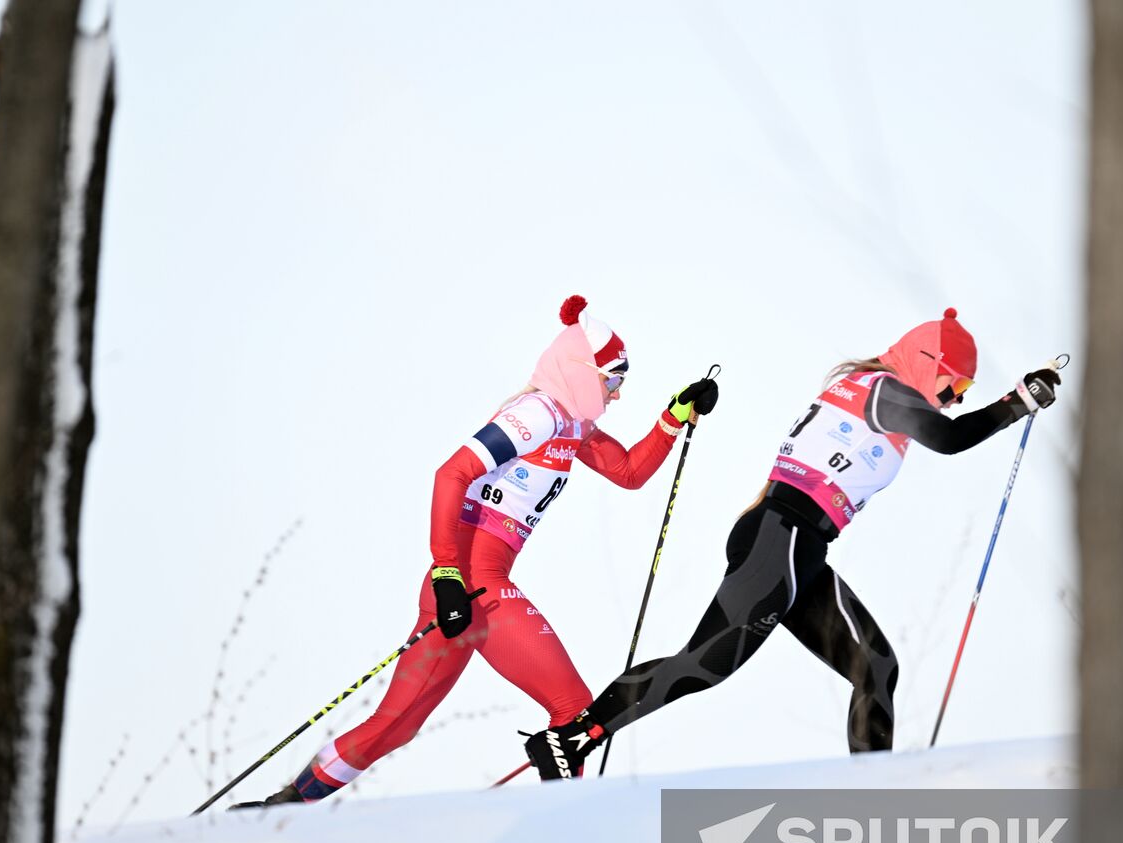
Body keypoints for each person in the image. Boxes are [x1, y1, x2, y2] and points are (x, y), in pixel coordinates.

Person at [523, 307, 1060, 780]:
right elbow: (951, 439)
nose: (951, 400)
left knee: (875, 669)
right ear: (926, 363)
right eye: (953, 387)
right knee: (703, 665)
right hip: (783, 539)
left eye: (962, 394)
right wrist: (1019, 402)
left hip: (793, 545)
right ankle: (575, 737)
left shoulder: (869, 389)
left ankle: (873, 797)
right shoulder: (886, 391)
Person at [233, 296, 718, 806]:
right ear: (581, 372)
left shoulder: (573, 426)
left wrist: (673, 417)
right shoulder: (537, 414)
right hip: (473, 585)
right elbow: (452, 473)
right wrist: (446, 573)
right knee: (573, 711)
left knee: (395, 724)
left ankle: (285, 807)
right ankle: (567, 836)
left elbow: (628, 473)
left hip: (466, 588)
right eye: (612, 382)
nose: (617, 395)